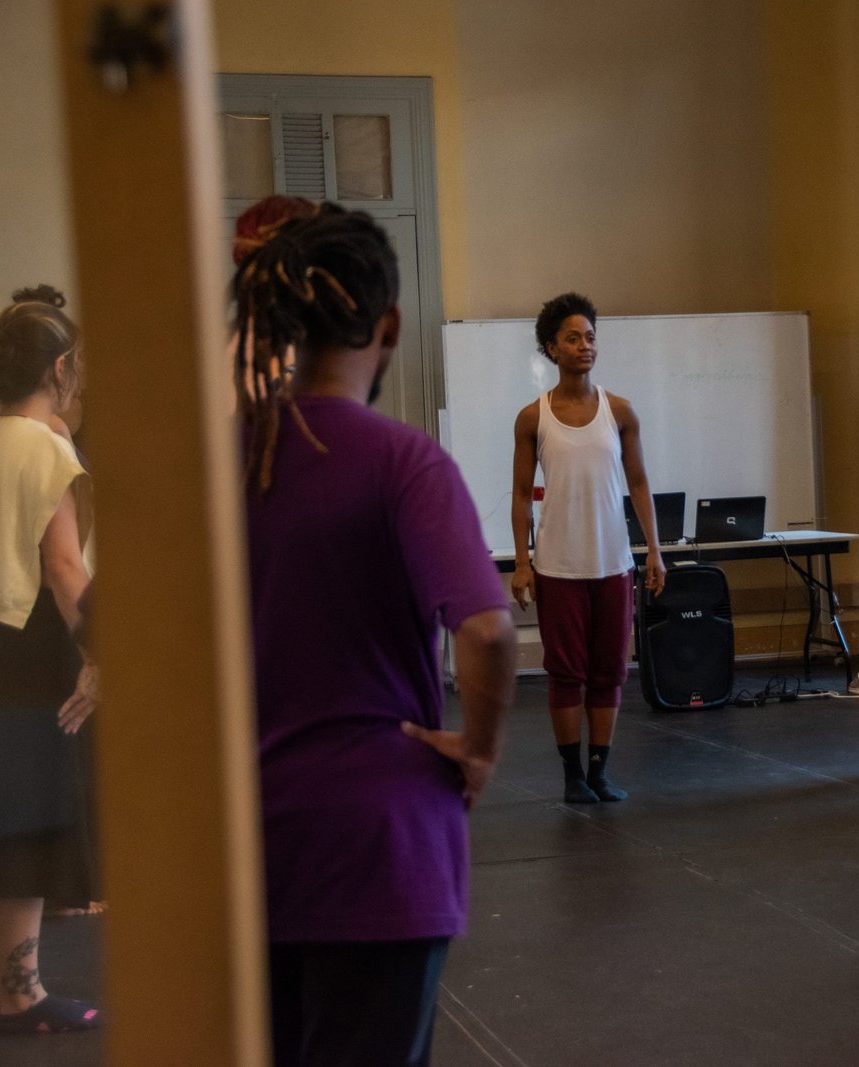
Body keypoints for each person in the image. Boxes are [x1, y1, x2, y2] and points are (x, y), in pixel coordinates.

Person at [232, 204, 516, 1067]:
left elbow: (105, 613)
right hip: (381, 843)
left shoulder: (223, 457)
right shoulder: (403, 460)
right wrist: (479, 747)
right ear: (387, 324)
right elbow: (489, 629)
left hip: (245, 841)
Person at [0, 284, 102, 1034]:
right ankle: (20, 996)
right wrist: (104, 649)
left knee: (1, 817)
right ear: (60, 366)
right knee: (32, 817)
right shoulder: (44, 445)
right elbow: (63, 567)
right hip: (33, 640)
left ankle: (7, 990)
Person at [511, 292, 665, 804]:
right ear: (552, 348)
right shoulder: (533, 418)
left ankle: (599, 771)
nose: (585, 346)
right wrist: (522, 562)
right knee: (565, 673)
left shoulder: (619, 411)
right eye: (573, 338)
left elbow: (639, 483)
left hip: (613, 562)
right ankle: (571, 775)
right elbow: (518, 494)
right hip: (558, 565)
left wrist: (655, 552)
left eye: (591, 337)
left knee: (608, 672)